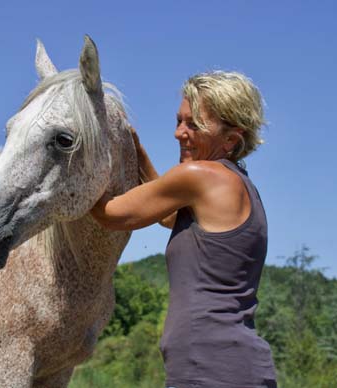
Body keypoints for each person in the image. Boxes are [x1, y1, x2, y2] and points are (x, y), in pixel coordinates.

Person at [91, 71, 277, 388]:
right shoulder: (238, 185)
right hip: (230, 366)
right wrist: (138, 156)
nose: (179, 133)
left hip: (210, 369)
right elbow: (168, 216)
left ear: (232, 139)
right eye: (179, 121)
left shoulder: (200, 176)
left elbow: (112, 215)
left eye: (194, 125)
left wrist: (78, 171)